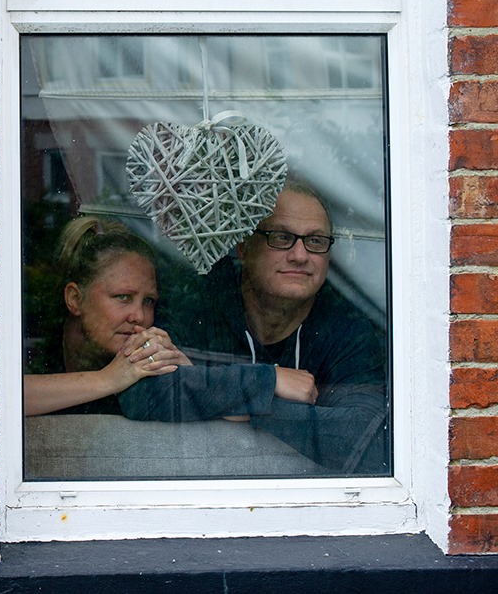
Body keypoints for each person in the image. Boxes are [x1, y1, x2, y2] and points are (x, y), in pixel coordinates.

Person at [119, 181, 389, 474]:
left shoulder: (348, 331)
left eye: (315, 241)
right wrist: (270, 381)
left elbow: (366, 440)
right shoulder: (198, 303)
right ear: (244, 248)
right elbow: (140, 392)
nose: (300, 255)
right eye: (281, 237)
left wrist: (246, 402)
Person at [23, 216, 189, 417]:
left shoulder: (143, 366)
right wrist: (108, 380)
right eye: (123, 297)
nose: (138, 316)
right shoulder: (27, 356)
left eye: (148, 301)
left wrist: (187, 376)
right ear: (75, 299)